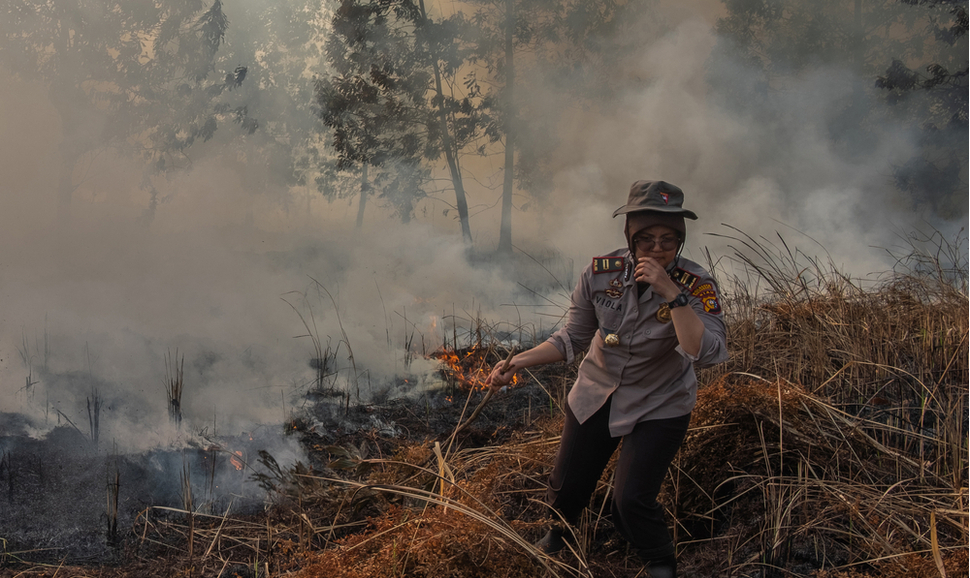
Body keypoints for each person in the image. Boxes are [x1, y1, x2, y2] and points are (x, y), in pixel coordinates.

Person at [486, 180, 728, 578]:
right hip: (597, 391)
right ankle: (558, 535)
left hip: (660, 401)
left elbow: (705, 352)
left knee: (631, 499)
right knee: (565, 489)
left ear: (680, 242)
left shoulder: (695, 284)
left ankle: (660, 561)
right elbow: (573, 336)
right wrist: (520, 362)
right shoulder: (601, 274)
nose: (657, 249)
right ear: (630, 238)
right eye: (646, 239)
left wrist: (673, 294)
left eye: (668, 240)